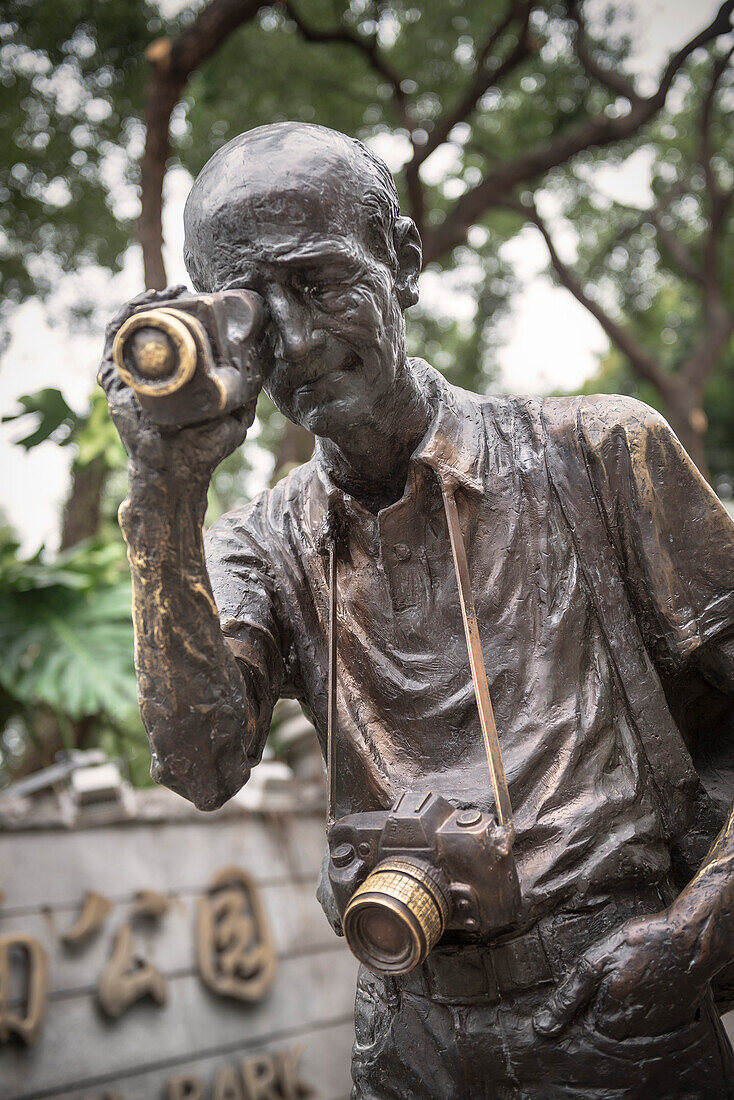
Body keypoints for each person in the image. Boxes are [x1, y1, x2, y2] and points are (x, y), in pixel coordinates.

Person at [100, 122, 734, 1099]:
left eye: (319, 283)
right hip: (403, 1036)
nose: (299, 343)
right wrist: (162, 495)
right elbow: (198, 765)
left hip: (615, 1013)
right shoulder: (254, 542)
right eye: (257, 313)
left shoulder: (600, 455)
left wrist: (692, 936)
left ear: (400, 258)